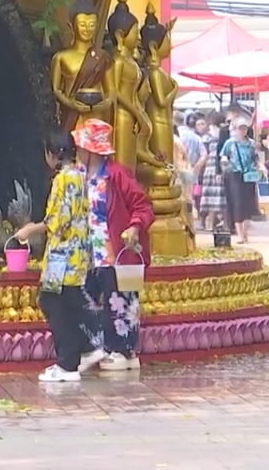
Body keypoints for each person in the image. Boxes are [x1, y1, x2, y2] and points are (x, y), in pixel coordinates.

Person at [71, 119, 154, 371]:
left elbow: (143, 205)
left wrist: (134, 226)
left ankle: (124, 351)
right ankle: (102, 347)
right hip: (90, 253)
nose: (78, 151)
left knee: (123, 300)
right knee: (90, 297)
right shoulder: (79, 176)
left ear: (91, 150)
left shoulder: (117, 174)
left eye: (81, 147)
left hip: (118, 251)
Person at [13, 130, 93, 383]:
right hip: (78, 252)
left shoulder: (62, 180)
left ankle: (67, 364)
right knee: (69, 302)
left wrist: (29, 229)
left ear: (51, 154)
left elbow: (57, 221)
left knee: (50, 301)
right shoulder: (80, 175)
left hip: (62, 256)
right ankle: (87, 348)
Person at [220, 118, 261, 244]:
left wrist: (260, 167)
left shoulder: (252, 144)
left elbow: (256, 159)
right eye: (240, 128)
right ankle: (240, 234)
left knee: (248, 203)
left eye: (244, 128)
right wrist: (224, 161)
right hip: (235, 174)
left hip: (249, 175)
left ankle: (245, 232)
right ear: (235, 129)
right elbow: (223, 155)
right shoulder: (230, 143)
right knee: (237, 203)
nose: (242, 131)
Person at [198, 111, 226, 231]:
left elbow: (204, 154)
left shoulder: (207, 136)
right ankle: (219, 222)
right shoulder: (225, 135)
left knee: (208, 198)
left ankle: (207, 223)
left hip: (210, 168)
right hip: (221, 167)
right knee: (220, 197)